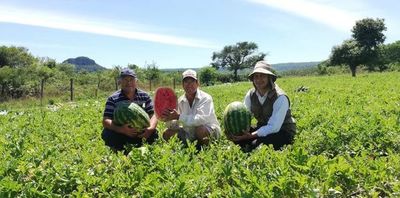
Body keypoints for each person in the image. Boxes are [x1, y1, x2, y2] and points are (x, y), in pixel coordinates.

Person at [229, 61, 296, 151]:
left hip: (282, 131)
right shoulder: (251, 94)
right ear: (253, 79)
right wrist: (238, 131)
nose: (259, 79)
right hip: (262, 128)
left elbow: (274, 127)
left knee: (256, 145)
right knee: (237, 138)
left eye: (262, 76)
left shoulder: (280, 97)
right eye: (256, 76)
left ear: (269, 78)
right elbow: (245, 114)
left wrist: (251, 136)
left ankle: (252, 144)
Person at [160, 69, 221, 149]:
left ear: (197, 83)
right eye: (186, 82)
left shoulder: (206, 98)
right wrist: (168, 119)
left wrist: (178, 116)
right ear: (182, 84)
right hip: (189, 132)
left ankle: (206, 149)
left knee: (200, 130)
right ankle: (190, 146)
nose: (189, 84)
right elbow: (176, 123)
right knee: (167, 133)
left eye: (192, 81)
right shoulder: (180, 101)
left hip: (208, 130)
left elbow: (200, 120)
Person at [101, 68, 158, 152]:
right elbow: (106, 120)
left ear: (136, 81)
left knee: (154, 133)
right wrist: (122, 130)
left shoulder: (144, 96)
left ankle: (142, 146)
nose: (128, 82)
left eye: (131, 79)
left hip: (143, 133)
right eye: (125, 80)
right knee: (107, 133)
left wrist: (150, 128)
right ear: (120, 82)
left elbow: (154, 114)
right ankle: (120, 150)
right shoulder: (113, 98)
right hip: (122, 133)